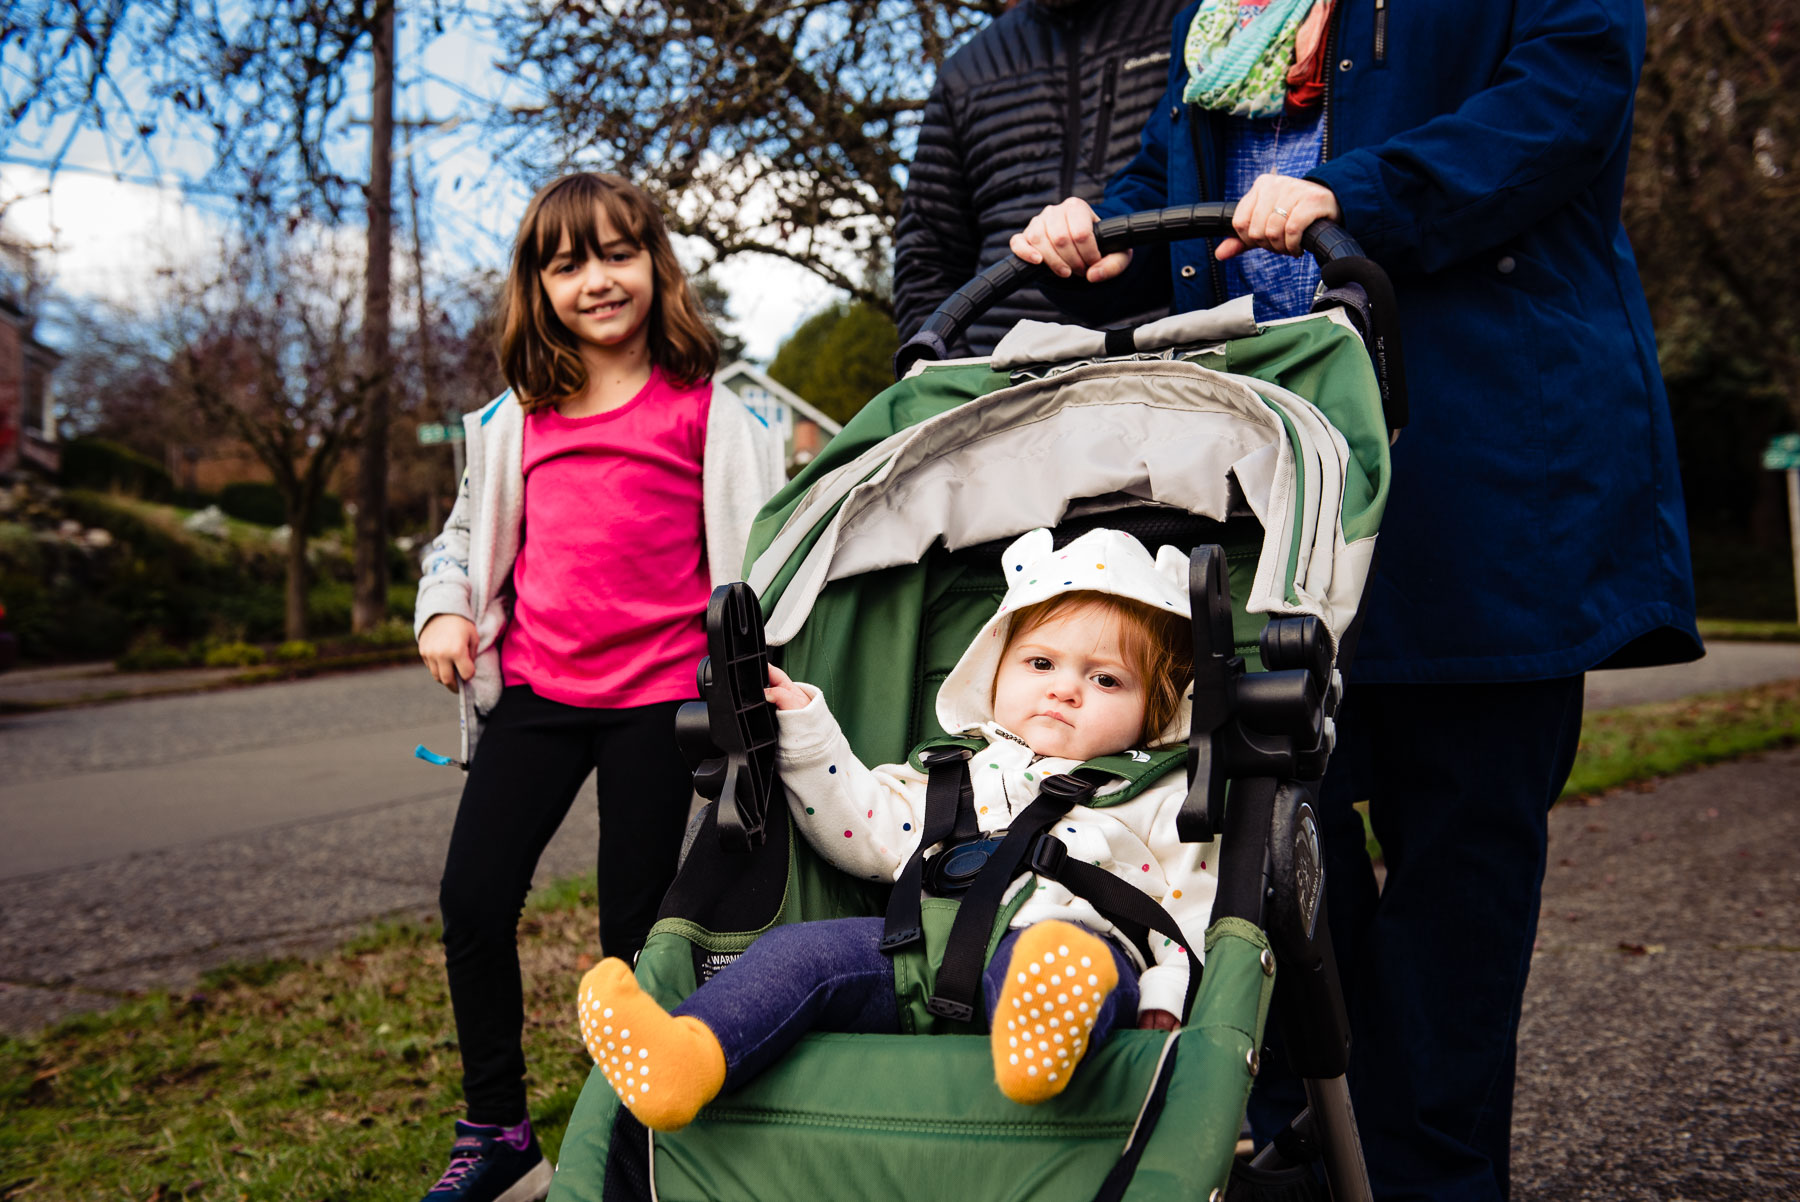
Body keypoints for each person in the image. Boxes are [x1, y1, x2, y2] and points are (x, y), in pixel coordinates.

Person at [1009, 3, 1700, 1199]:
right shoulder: (1218, 10)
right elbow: (1183, 170)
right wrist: (1097, 226)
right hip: (1274, 480)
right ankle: (1332, 1142)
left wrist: (1358, 191)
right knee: (1278, 846)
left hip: (1472, 466)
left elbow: (1566, 101)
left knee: (1460, 860)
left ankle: (1425, 1168)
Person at [574, 527, 1219, 1132]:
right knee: (796, 955)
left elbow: (1186, 911)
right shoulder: (952, 772)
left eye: (1105, 678)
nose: (1066, 691)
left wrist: (1165, 989)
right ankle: (687, 1055)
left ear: (1156, 708)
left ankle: (1040, 1041)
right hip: (914, 953)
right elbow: (867, 826)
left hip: (1071, 950)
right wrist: (805, 724)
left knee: (1064, 961)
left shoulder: (1155, 795)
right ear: (994, 670)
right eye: (1041, 664)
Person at [411, 171, 785, 1202]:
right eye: (566, 262)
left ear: (656, 268)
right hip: (536, 691)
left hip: (659, 702)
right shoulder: (512, 418)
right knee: (473, 897)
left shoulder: (710, 416)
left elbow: (766, 556)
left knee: (635, 926)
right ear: (539, 286)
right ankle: (497, 1130)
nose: (596, 279)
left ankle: (630, 1123)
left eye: (617, 252)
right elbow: (461, 538)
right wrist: (445, 605)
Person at [892, 0, 1186, 355]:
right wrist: (955, 385)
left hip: (1167, 368)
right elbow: (926, 254)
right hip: (1004, 380)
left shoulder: (1190, 23)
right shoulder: (966, 71)